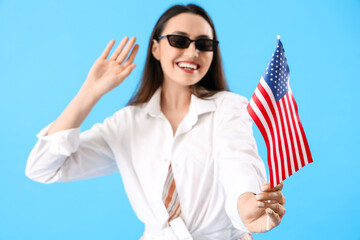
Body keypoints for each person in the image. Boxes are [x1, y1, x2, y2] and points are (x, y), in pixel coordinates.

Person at [25, 4, 286, 240]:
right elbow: (44, 168)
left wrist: (247, 204)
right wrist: (90, 92)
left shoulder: (229, 107)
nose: (193, 51)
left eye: (204, 44)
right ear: (156, 48)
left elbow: (239, 163)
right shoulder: (126, 123)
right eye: (179, 40)